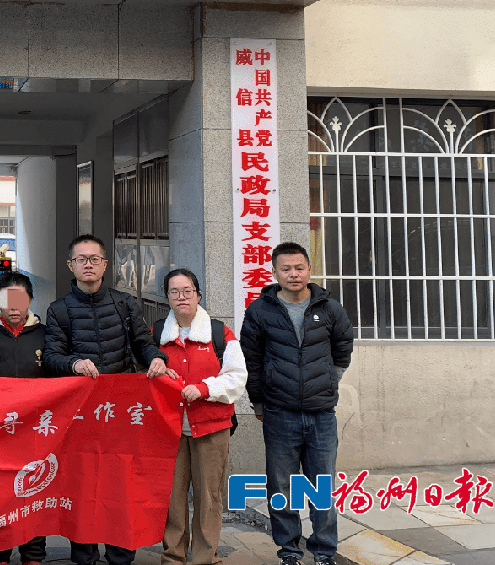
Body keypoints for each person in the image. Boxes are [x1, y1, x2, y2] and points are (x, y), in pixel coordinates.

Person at [43, 233, 168, 565]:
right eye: (81, 259)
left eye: (94, 259)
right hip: (81, 414)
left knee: (121, 486)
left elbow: (143, 343)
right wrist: (74, 363)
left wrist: (157, 358)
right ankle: (84, 556)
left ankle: (120, 555)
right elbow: (52, 357)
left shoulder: (123, 303)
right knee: (82, 487)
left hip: (121, 412)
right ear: (70, 265)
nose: (88, 264)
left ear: (105, 265)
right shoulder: (59, 310)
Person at [240, 242, 353, 565]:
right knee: (281, 487)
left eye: (299, 267)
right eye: (286, 269)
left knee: (322, 486)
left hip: (321, 415)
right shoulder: (260, 311)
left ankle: (324, 551)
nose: (294, 274)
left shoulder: (329, 308)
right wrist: (258, 403)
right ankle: (289, 551)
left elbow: (343, 346)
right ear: (274, 272)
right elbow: (252, 360)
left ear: (309, 269)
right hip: (280, 413)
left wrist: (329, 381)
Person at [153, 269, 247, 565]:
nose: (181, 297)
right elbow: (142, 373)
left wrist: (205, 389)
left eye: (187, 291)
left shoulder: (219, 333)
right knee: (172, 498)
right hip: (169, 429)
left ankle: (206, 558)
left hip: (211, 427)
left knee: (209, 497)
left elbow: (237, 377)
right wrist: (158, 373)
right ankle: (173, 557)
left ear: (198, 295)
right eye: (174, 292)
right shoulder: (157, 334)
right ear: (167, 297)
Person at [0, 271, 47, 565]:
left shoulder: (46, 336)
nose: (14, 306)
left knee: (36, 490)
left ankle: (33, 554)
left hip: (37, 431)